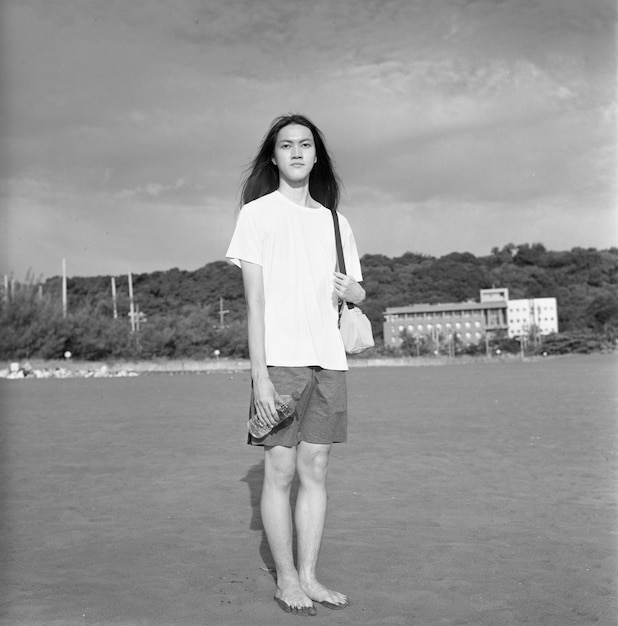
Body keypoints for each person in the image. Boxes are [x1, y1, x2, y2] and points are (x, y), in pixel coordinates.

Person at [226, 114, 365, 616]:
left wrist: (356, 291)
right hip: (280, 363)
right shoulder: (257, 215)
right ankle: (286, 578)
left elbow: (353, 290)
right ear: (274, 157)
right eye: (287, 145)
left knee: (317, 467)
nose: (297, 152)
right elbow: (255, 303)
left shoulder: (334, 221)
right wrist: (259, 376)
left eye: (306, 145)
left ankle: (309, 575)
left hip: (328, 361)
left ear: (316, 155)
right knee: (279, 469)